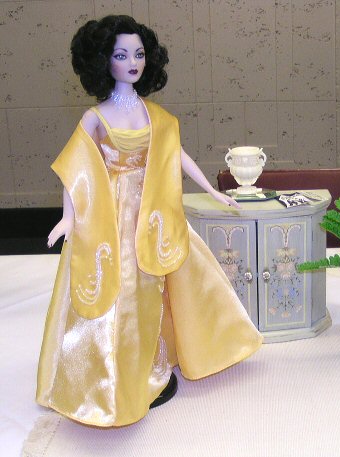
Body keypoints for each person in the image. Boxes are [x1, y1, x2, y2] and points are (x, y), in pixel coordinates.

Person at [36, 15, 262, 427]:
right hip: (110, 215)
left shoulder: (153, 114)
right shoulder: (96, 117)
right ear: (103, 61)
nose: (133, 63)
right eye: (122, 55)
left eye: (138, 54)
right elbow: (75, 170)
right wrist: (68, 218)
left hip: (154, 210)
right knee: (116, 291)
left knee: (166, 282)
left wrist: (212, 191)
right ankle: (111, 377)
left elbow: (177, 155)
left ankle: (160, 356)